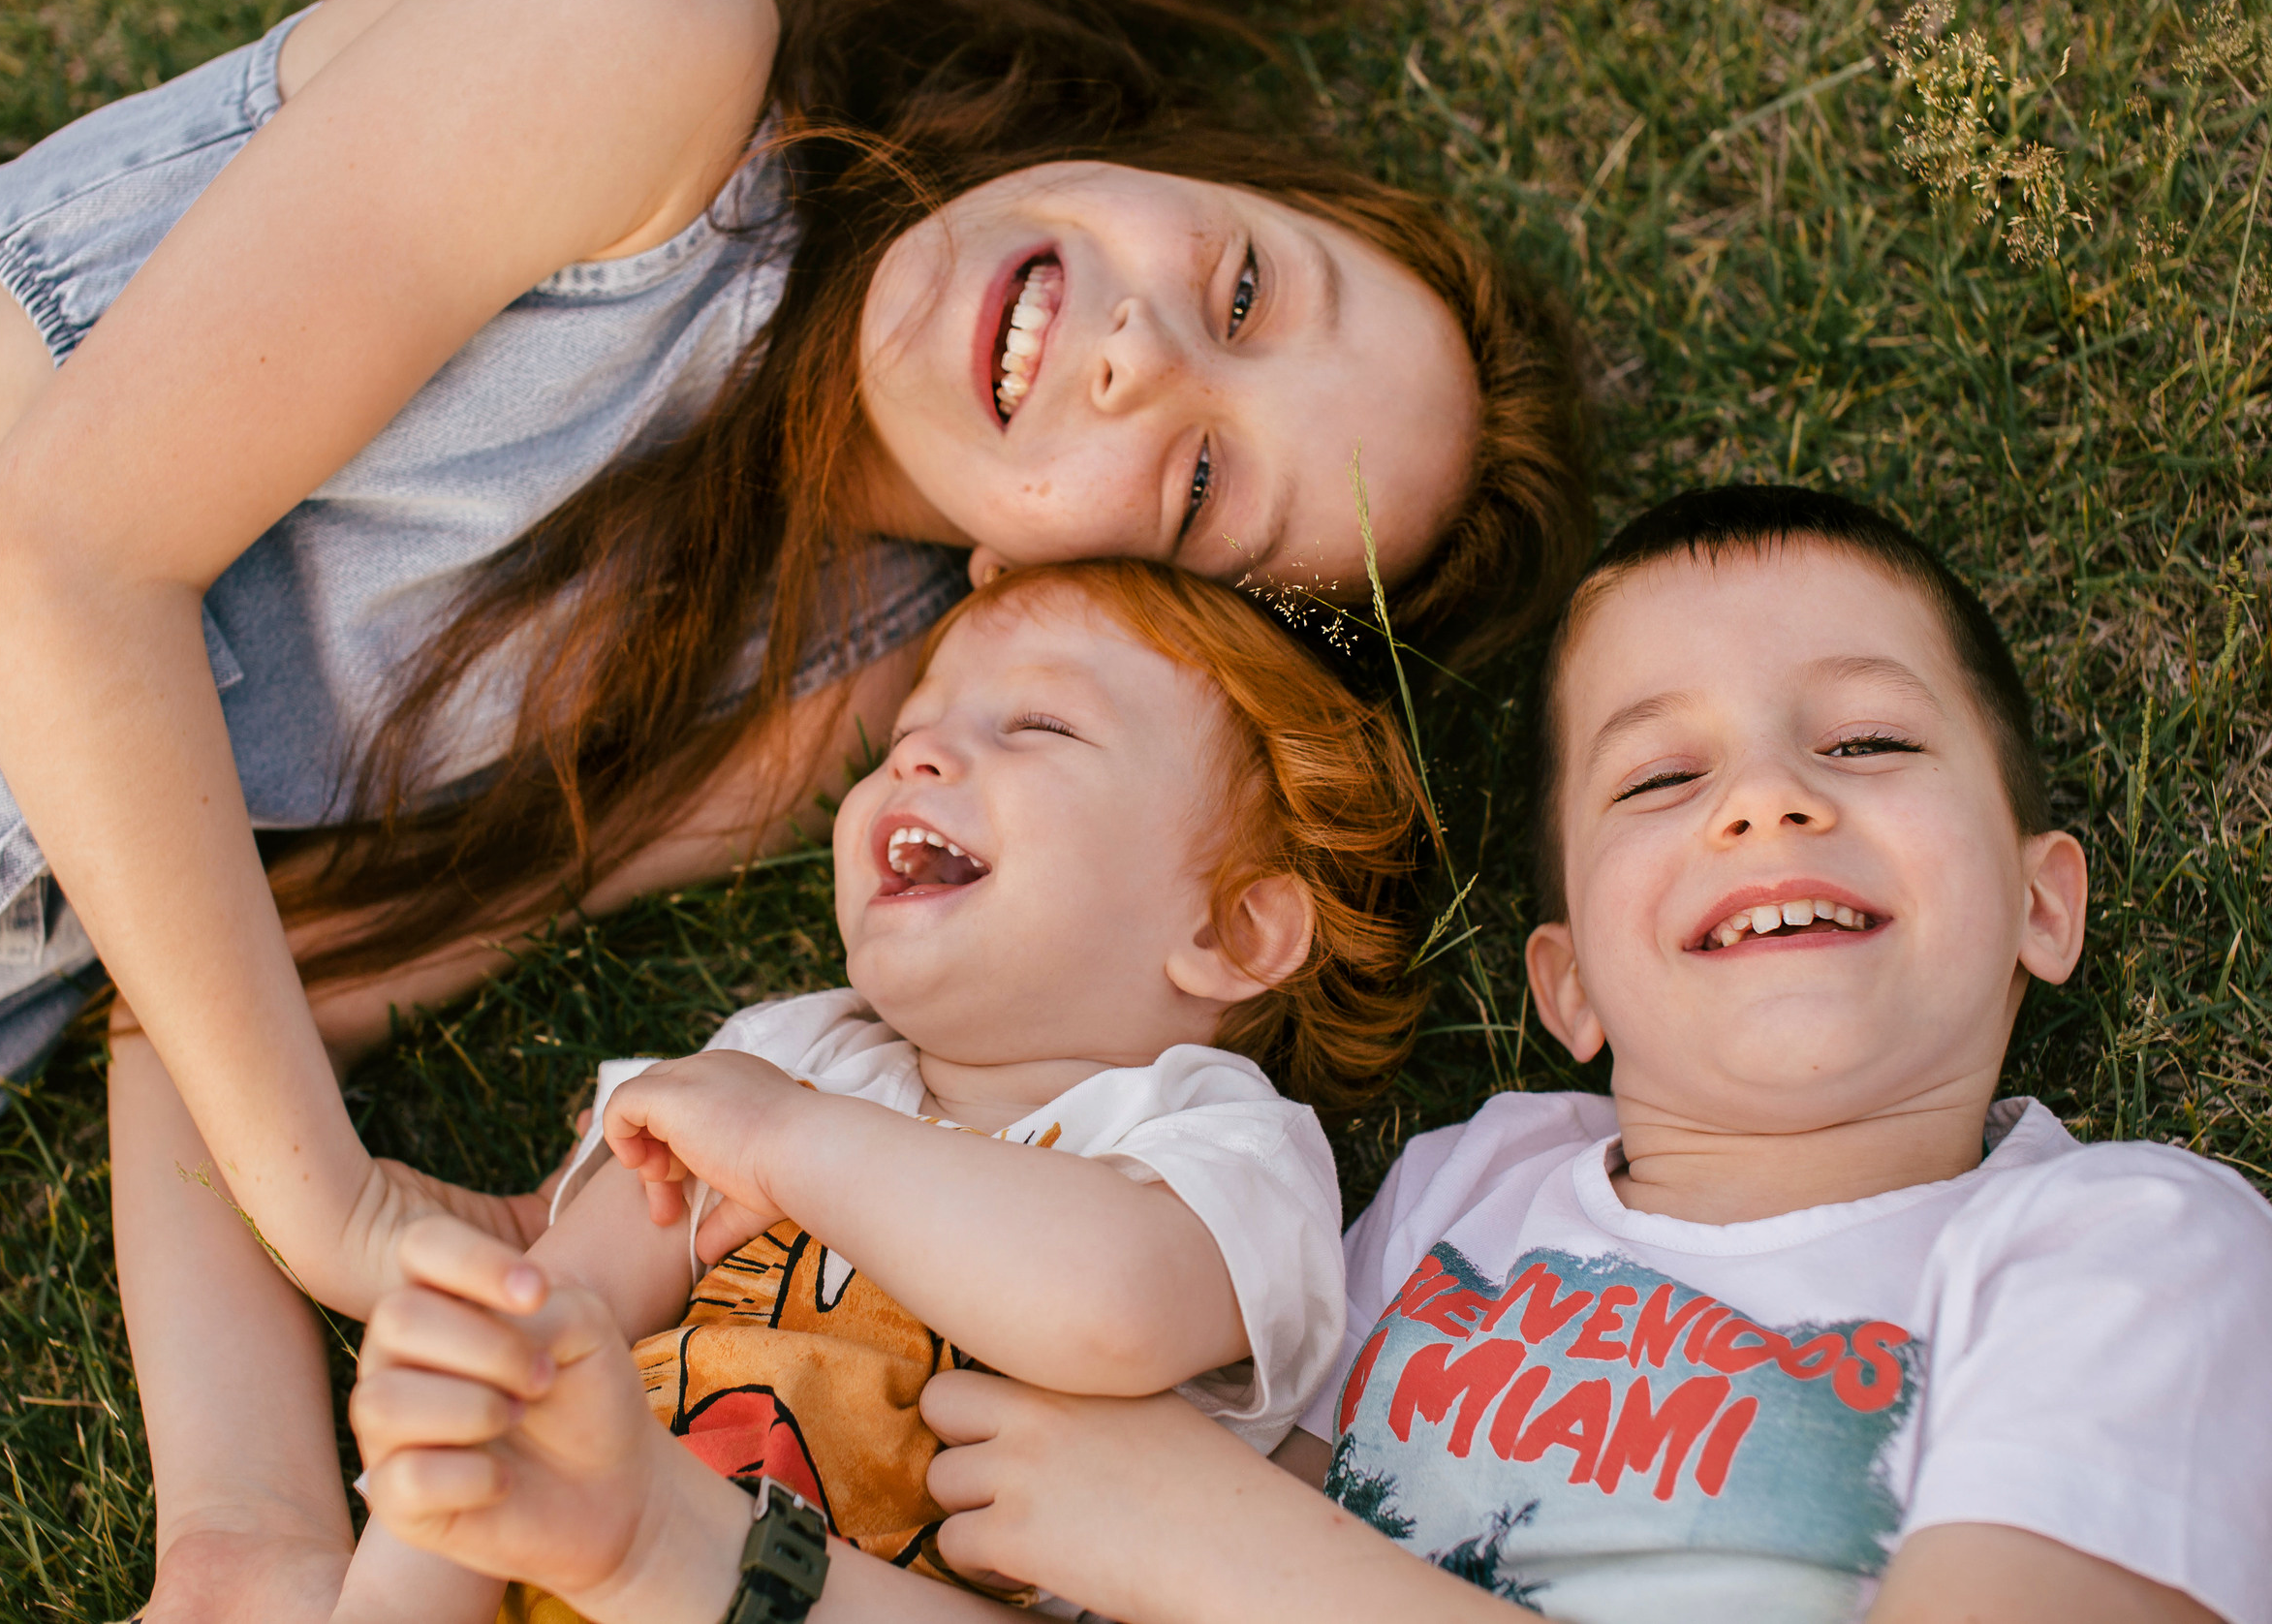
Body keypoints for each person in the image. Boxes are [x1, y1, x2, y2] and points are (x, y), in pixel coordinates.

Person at [0, 0, 1590, 1608]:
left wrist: (248, 1536)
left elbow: (264, 967)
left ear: (1098, 594)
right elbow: (45, 569)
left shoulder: (847, 694)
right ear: (1204, 176)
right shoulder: (655, 45)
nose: (1143, 357)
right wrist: (335, 1213)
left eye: (1197, 483)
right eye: (1248, 286)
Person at [351, 488, 2272, 1624]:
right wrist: (673, 1550)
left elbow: (1191, 1537)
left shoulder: (2125, 1249)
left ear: (2043, 900)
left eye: (1864, 742)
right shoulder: (1462, 1192)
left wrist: (1246, 1561)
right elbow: (1098, 1529)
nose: (1763, 800)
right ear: (1565, 982)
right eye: (1657, 777)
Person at [332, 555, 1433, 1622]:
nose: (918, 754)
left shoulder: (1223, 1148)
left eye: (1039, 726)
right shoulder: (786, 1055)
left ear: (1232, 929)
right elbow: (533, 1340)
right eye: (911, 727)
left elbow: (1110, 1310)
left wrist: (786, 1142)